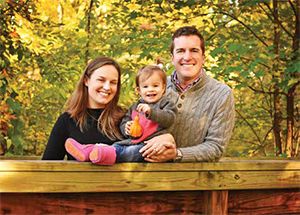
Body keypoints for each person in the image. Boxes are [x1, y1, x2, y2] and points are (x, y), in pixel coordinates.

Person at [139, 26, 235, 162]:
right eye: (180, 51)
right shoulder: (153, 88)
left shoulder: (222, 94)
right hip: (148, 175)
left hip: (196, 179)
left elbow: (216, 147)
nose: (187, 57)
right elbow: (138, 127)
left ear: (203, 57)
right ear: (172, 58)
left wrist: (177, 154)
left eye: (194, 50)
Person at [65, 65, 177, 165]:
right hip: (131, 142)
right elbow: (125, 121)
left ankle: (100, 154)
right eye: (146, 87)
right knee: (116, 147)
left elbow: (170, 118)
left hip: (150, 147)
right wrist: (126, 128)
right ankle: (91, 151)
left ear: (163, 88)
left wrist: (151, 113)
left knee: (131, 153)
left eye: (155, 86)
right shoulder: (135, 107)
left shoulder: (166, 103)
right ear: (138, 90)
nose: (150, 90)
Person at [42, 56, 125, 160]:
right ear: (86, 80)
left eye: (113, 82)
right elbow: (48, 165)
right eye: (101, 80)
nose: (107, 87)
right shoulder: (67, 120)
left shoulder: (125, 118)